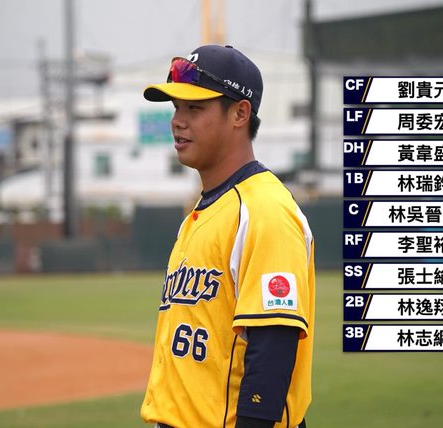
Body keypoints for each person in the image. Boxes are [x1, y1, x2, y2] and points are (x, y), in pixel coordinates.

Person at [140, 44, 315, 428]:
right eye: (176, 108)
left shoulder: (264, 210)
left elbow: (273, 346)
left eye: (194, 108)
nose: (178, 121)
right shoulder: (205, 212)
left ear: (240, 113)